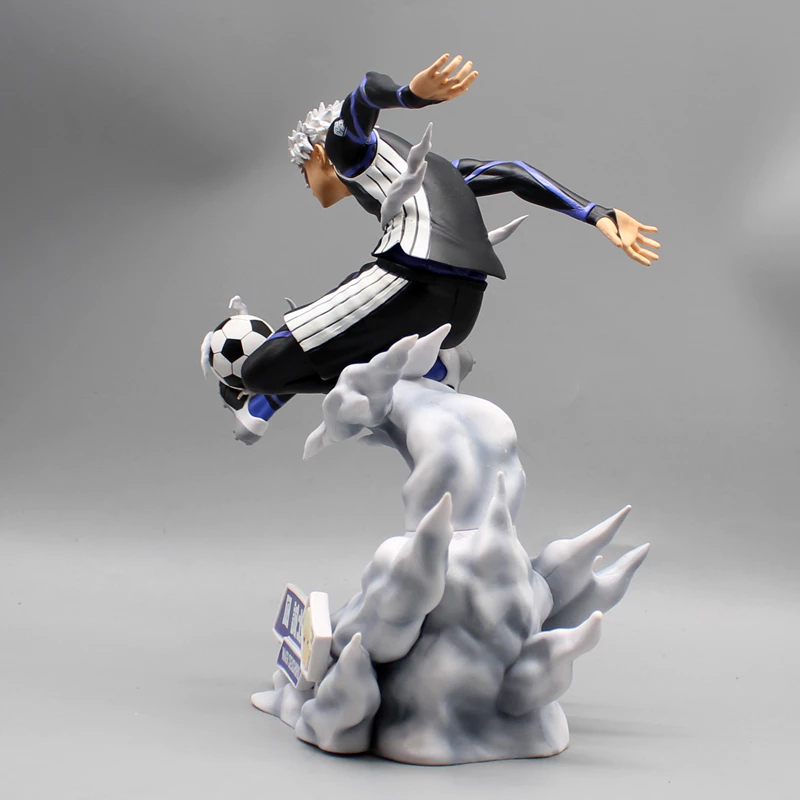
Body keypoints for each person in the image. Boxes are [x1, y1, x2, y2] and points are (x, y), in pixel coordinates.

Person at [214, 54, 660, 445]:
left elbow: (366, 90)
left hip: (411, 279)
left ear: (318, 156)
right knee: (338, 344)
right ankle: (430, 371)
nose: (311, 188)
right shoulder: (438, 168)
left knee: (256, 371)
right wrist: (595, 212)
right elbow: (512, 172)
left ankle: (262, 401)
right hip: (462, 308)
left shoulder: (345, 150)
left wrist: (409, 95)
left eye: (305, 175)